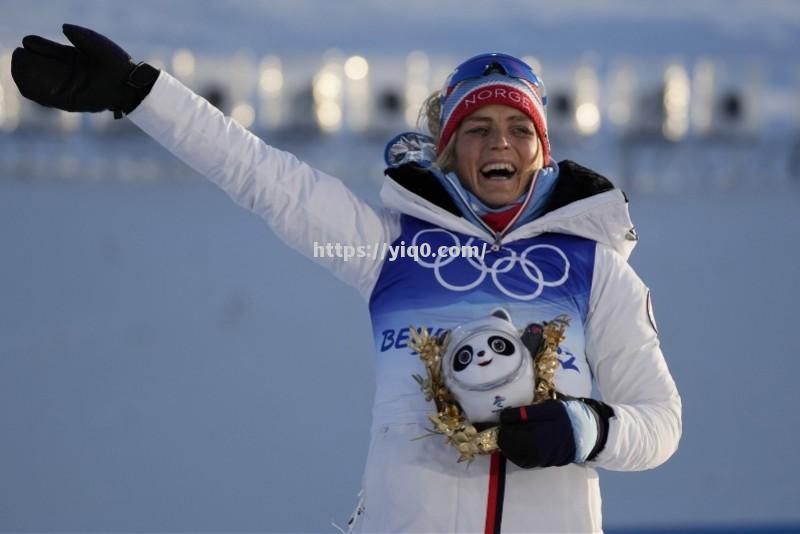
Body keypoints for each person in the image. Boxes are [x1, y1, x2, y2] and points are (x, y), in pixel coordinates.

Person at [11, 25, 682, 534]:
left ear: (543, 151)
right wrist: (140, 93)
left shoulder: (596, 270)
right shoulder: (388, 250)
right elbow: (264, 177)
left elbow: (661, 423)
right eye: (477, 128)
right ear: (448, 151)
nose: (499, 143)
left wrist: (584, 429)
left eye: (517, 128)